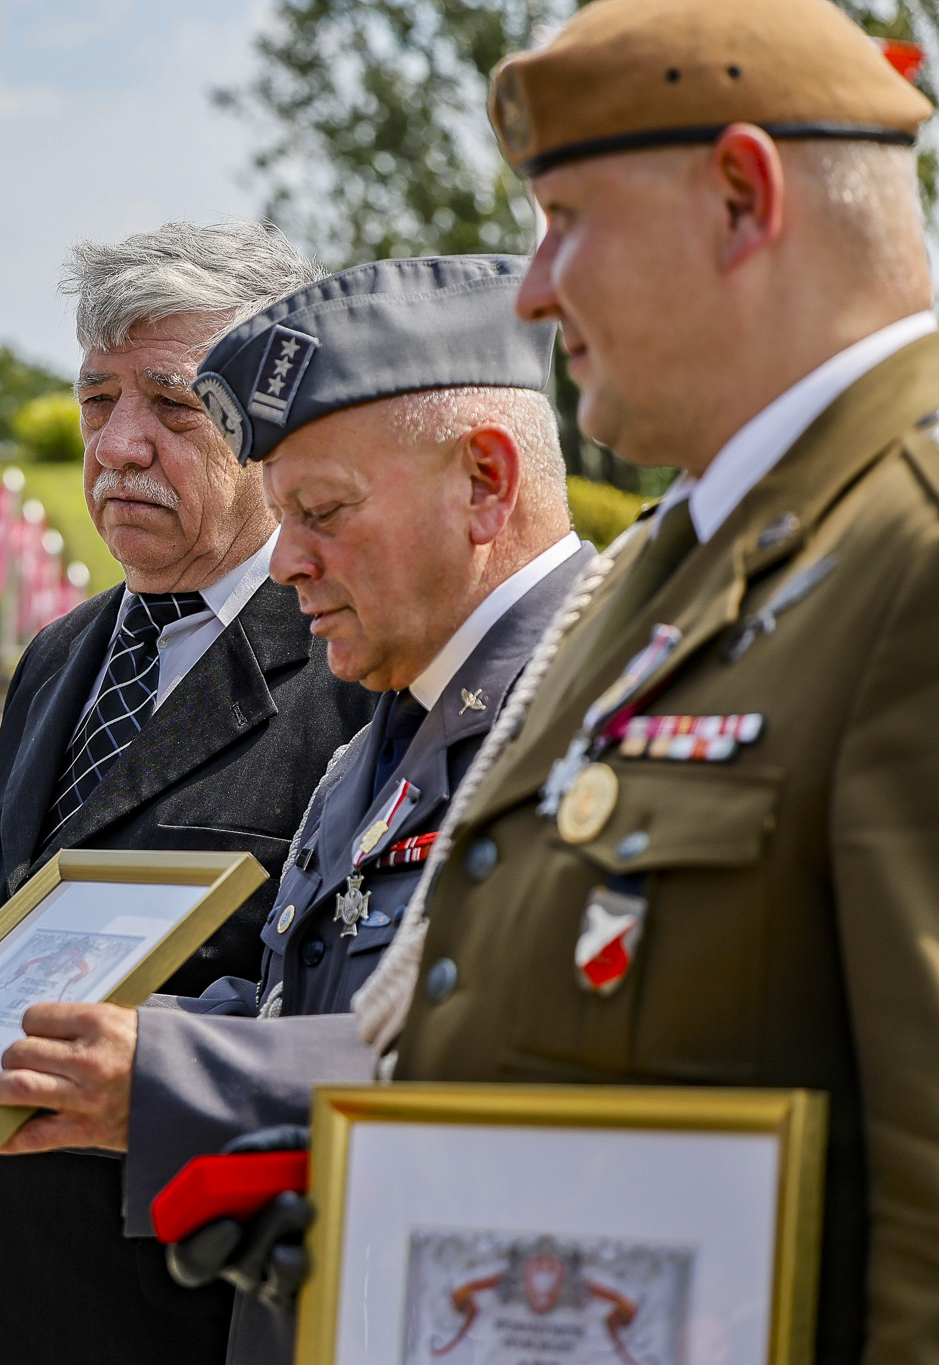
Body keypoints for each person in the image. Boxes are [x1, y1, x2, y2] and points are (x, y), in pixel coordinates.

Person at [347, 2, 939, 1360]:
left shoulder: (912, 551)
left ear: (741, 196)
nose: (532, 288)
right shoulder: (677, 558)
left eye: (566, 219)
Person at [0, 256, 588, 1362]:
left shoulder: (573, 709)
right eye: (95, 403)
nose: (289, 557)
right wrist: (6, 997)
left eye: (317, 509)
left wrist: (160, 1075)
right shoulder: (383, 726)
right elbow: (289, 1004)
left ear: (483, 485)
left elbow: (560, 1084)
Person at [0, 221, 375, 1365]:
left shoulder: (356, 667)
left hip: (167, 1319)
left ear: (275, 425)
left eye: (174, 405)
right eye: (96, 401)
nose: (118, 448)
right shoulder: (61, 652)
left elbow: (357, 1031)